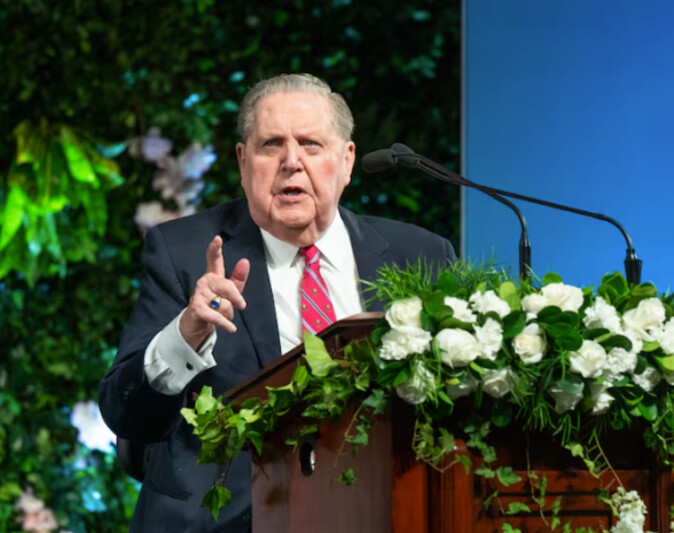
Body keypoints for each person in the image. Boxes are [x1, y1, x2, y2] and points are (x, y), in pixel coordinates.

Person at [98, 73, 456, 532]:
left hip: (384, 510)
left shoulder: (422, 255)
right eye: (271, 145)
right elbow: (125, 414)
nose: (292, 161)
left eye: (311, 144)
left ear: (346, 162)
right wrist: (185, 335)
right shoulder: (184, 253)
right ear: (243, 161)